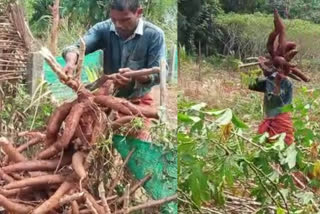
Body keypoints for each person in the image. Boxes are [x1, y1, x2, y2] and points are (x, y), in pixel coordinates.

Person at [62, 0, 166, 140]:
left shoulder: (154, 35)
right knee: (96, 142)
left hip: (139, 101)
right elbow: (75, 48)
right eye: (114, 19)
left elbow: (158, 74)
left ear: (138, 13)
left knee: (139, 146)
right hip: (106, 101)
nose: (118, 25)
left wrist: (137, 77)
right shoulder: (103, 29)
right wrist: (71, 61)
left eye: (125, 20)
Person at [249, 56, 294, 145]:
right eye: (277, 67)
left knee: (284, 144)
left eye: (282, 67)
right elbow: (251, 85)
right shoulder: (268, 80)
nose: (279, 70)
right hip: (269, 118)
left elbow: (276, 101)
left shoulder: (287, 82)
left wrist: (277, 85)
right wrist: (258, 70)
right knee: (267, 145)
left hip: (281, 119)